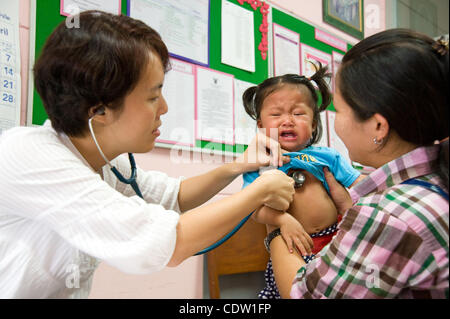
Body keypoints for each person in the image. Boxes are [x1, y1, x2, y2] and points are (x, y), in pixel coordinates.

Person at [0, 11, 296, 298]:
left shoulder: (100, 158)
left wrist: (238, 166)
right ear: (99, 109)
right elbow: (170, 241)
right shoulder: (29, 156)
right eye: (153, 96)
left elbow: (174, 196)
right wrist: (259, 191)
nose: (164, 107)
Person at [267, 29, 449, 299]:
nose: (336, 123)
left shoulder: (389, 215)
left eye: (339, 111)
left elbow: (303, 295)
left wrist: (275, 234)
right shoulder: (433, 183)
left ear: (378, 126)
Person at [241, 67, 364, 299]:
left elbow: (362, 184)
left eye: (298, 114)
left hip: (335, 244)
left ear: (315, 125)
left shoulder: (327, 156)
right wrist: (281, 219)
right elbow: (250, 208)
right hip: (291, 248)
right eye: (276, 115)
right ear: (259, 125)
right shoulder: (258, 163)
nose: (287, 120)